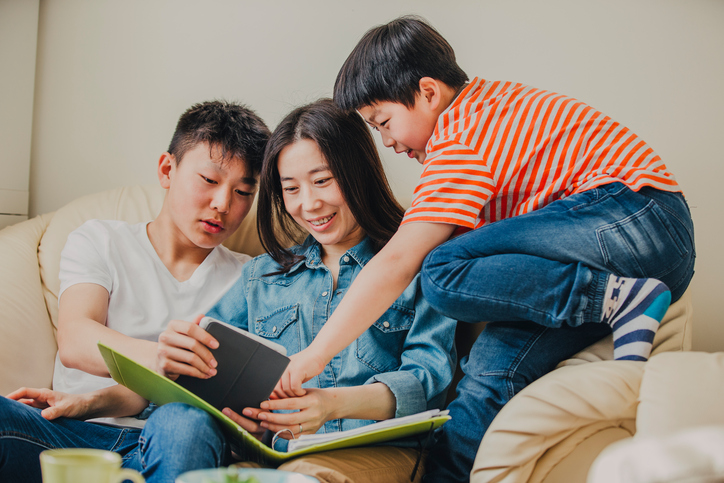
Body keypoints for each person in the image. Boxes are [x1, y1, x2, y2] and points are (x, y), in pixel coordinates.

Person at [276, 16, 696, 482]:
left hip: (638, 216)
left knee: (439, 270)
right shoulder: (488, 123)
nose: (389, 142)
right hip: (633, 255)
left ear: (429, 93)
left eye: (385, 122)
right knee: (486, 380)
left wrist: (313, 356)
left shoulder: (463, 132)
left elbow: (400, 260)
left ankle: (615, 299)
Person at [156, 98, 457, 482]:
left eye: (322, 180)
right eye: (291, 189)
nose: (309, 204)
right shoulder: (260, 276)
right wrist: (243, 419)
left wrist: (332, 406)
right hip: (274, 456)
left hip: (375, 453)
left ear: (357, 172)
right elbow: (210, 377)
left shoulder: (418, 262)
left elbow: (427, 381)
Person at [0, 100, 271, 483]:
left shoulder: (249, 278)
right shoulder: (101, 240)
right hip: (68, 431)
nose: (223, 204)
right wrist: (159, 358)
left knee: (184, 421)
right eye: (209, 181)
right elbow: (76, 339)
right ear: (167, 170)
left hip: (169, 440)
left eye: (244, 192)